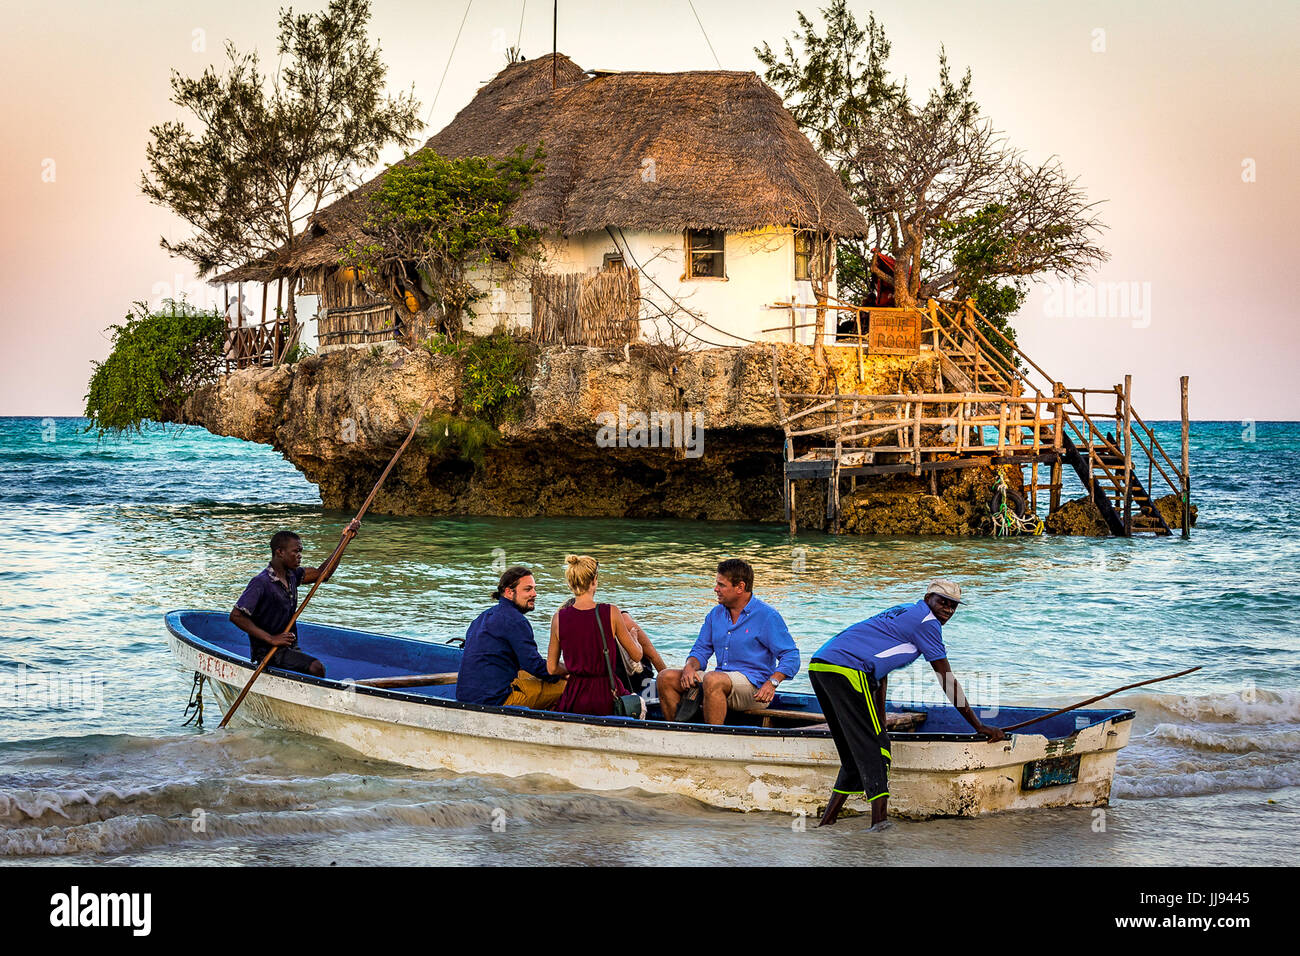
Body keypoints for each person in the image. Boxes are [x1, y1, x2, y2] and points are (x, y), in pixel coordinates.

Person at [810, 580, 1007, 830]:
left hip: (821, 666)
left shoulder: (905, 610)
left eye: (953, 605)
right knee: (878, 746)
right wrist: (978, 725)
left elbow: (881, 670)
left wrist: (879, 718)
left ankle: (827, 821)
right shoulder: (927, 623)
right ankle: (879, 823)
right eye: (942, 602)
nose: (948, 609)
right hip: (847, 670)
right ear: (928, 599)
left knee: (854, 753)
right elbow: (947, 680)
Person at [657, 558, 800, 725]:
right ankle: (679, 735)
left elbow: (791, 656)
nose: (715, 589)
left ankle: (713, 741)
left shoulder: (767, 616)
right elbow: (700, 651)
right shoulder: (715, 615)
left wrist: (773, 682)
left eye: (721, 585)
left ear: (740, 587)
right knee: (665, 677)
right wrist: (690, 666)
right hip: (719, 680)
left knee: (713, 679)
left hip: (755, 688)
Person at [229, 520, 361, 678]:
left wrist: (344, 539)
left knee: (311, 666)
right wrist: (271, 638)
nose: (300, 556)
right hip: (268, 652)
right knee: (316, 668)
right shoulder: (261, 582)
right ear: (280, 552)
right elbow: (236, 616)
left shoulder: (292, 575)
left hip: (289, 647)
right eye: (295, 551)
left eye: (301, 551)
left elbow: (323, 573)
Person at [456, 565, 565, 708]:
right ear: (508, 592)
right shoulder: (516, 620)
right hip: (495, 700)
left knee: (528, 673)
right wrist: (567, 670)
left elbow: (526, 664)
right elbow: (535, 666)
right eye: (528, 589)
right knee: (568, 686)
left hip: (464, 696)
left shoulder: (482, 617)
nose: (534, 594)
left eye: (534, 588)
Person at [548, 555, 642, 716]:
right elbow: (637, 655)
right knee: (639, 706)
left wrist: (573, 670)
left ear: (570, 583)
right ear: (595, 580)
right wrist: (634, 637)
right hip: (606, 694)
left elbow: (551, 668)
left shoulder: (558, 618)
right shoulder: (611, 612)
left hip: (574, 696)